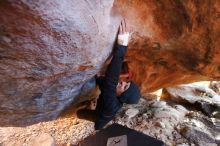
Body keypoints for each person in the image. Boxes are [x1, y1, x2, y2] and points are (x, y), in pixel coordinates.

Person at [94, 19, 141, 130]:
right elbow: (107, 85)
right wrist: (98, 78)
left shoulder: (111, 104)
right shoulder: (114, 96)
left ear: (121, 95)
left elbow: (111, 82)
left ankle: (97, 127)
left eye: (124, 87)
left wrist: (122, 45)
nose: (122, 82)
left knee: (85, 116)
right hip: (102, 106)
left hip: (101, 118)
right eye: (126, 83)